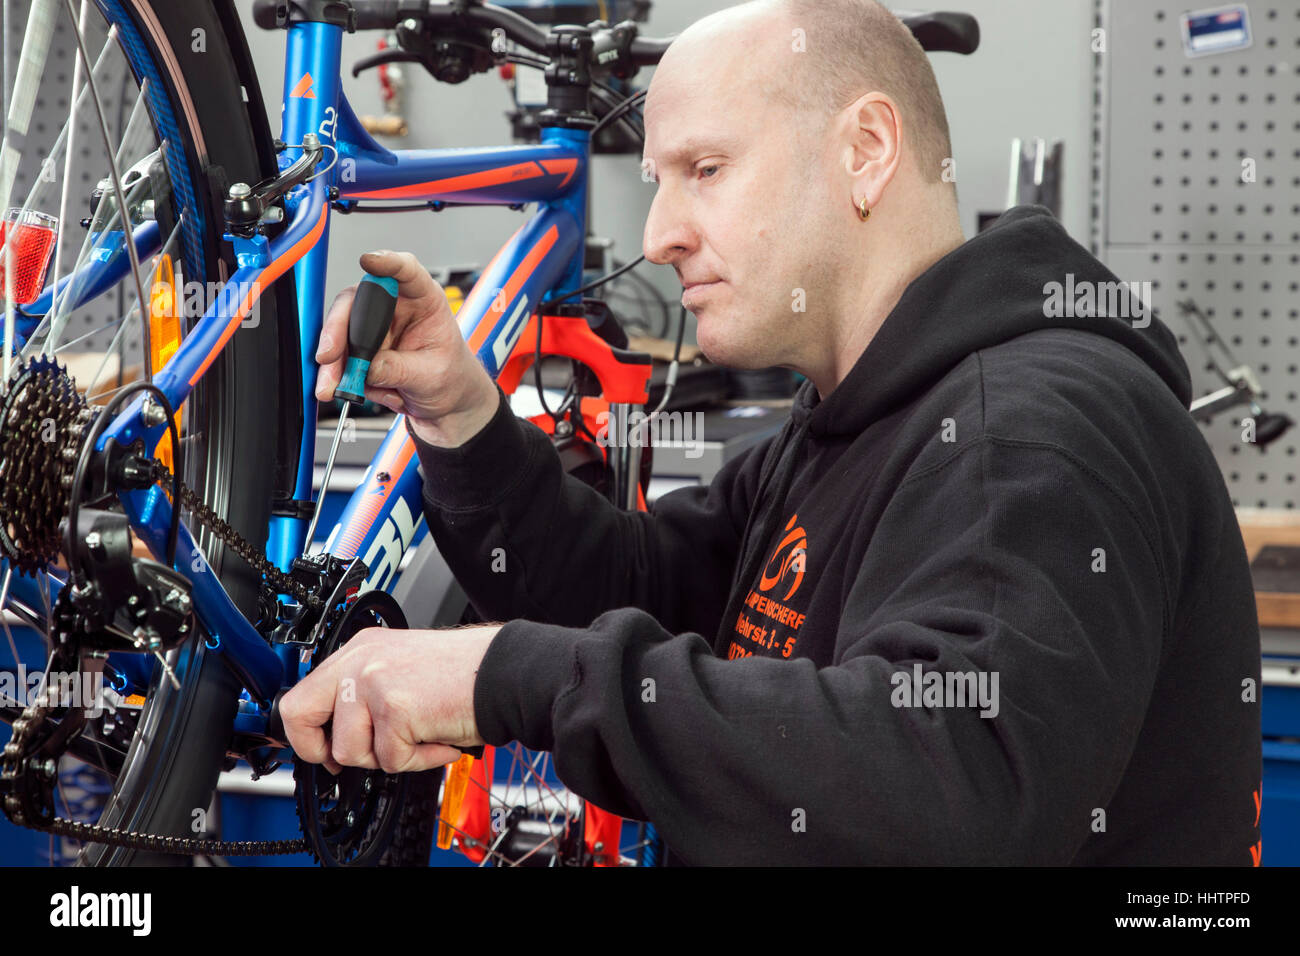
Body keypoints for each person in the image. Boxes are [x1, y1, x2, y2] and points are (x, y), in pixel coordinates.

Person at [280, 0, 1262, 865]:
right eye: (661, 178)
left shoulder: (1031, 430)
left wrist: (511, 671)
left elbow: (952, 786)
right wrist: (460, 418)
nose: (661, 230)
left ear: (865, 151)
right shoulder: (844, 420)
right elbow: (632, 587)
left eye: (705, 168)